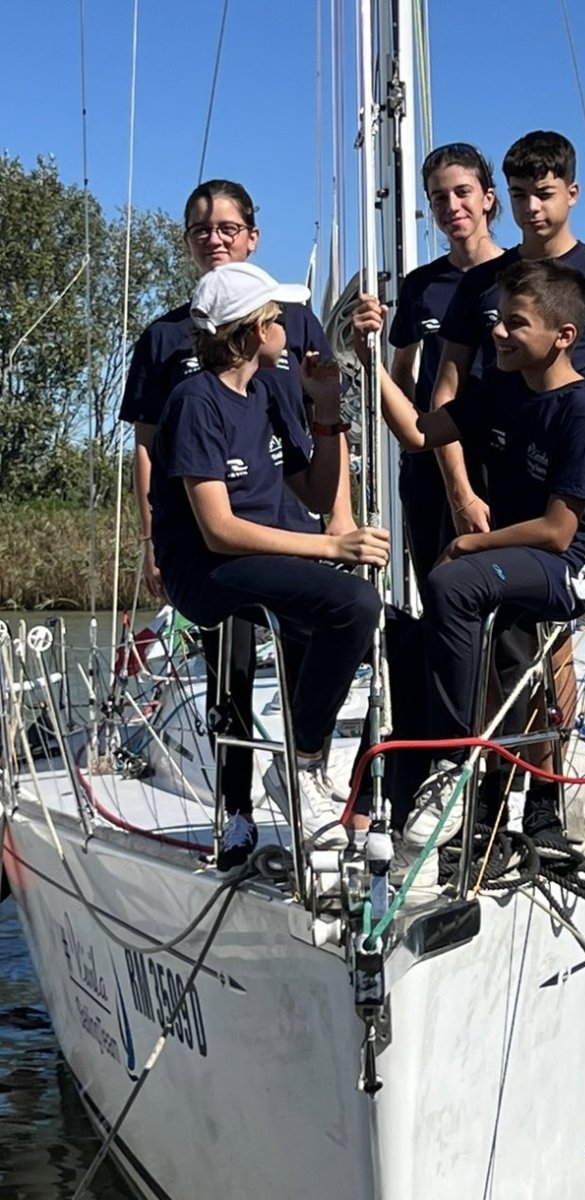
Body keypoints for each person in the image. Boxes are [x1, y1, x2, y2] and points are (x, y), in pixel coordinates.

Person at [353, 258, 585, 866]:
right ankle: (470, 797)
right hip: (522, 552)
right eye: (498, 320)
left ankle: (455, 763)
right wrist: (370, 366)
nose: (497, 333)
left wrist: (471, 541)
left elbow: (559, 532)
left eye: (515, 324)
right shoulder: (500, 388)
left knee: (454, 582)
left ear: (563, 338)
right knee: (418, 626)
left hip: (578, 561)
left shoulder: (584, 413)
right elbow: (421, 434)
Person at [121, 180, 357, 833]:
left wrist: (338, 517)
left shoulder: (294, 324)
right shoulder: (167, 339)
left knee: (315, 642)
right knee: (229, 664)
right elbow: (148, 451)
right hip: (211, 536)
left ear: (252, 236)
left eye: (227, 227)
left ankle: (304, 768)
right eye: (201, 228)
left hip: (286, 520)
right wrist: (152, 543)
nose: (213, 238)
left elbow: (312, 424)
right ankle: (235, 810)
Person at [150, 261, 388, 869]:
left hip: (262, 554)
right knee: (352, 602)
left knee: (396, 638)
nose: (287, 325)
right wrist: (332, 548)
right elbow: (219, 530)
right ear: (253, 332)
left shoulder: (265, 392)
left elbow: (313, 491)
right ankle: (301, 763)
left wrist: (328, 410)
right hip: (207, 571)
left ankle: (369, 799)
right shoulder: (194, 401)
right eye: (276, 317)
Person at [434, 130, 585, 547]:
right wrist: (461, 492)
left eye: (544, 193)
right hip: (492, 478)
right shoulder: (481, 284)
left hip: (568, 478)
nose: (531, 208)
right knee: (458, 592)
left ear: (572, 193)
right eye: (519, 194)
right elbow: (446, 392)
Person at [388, 143, 503, 589]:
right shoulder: (421, 286)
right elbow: (402, 368)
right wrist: (412, 435)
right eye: (439, 197)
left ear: (487, 198)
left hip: (498, 454)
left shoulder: (519, 276)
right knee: (436, 583)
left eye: (462, 192)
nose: (451, 206)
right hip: (434, 459)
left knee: (509, 595)